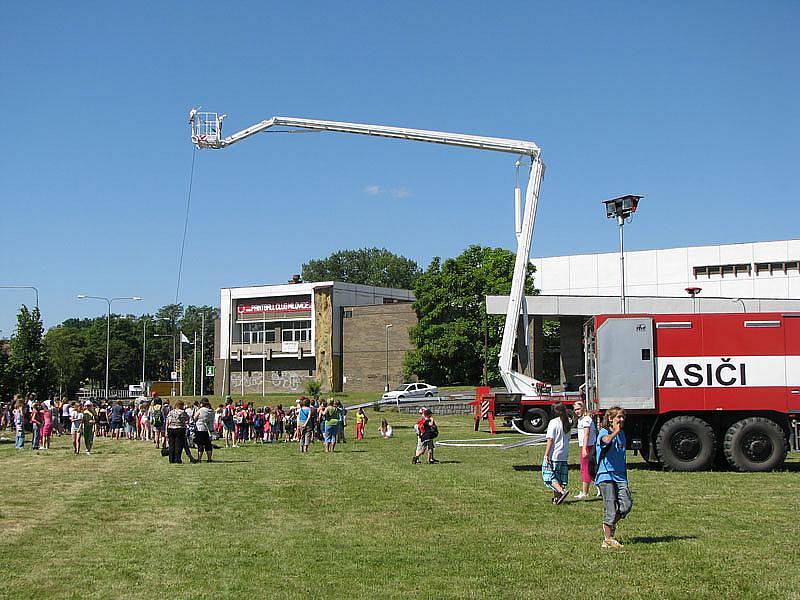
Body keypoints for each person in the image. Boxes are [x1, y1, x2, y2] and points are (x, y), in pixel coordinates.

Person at [596, 407, 632, 549]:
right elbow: (605, 441)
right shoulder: (604, 432)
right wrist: (615, 431)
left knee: (626, 505)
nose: (621, 420)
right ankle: (608, 538)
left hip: (620, 476)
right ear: (611, 419)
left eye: (623, 417)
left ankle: (610, 525)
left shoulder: (622, 434)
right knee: (610, 507)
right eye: (618, 417)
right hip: (606, 475)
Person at [542, 402, 571, 505]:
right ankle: (556, 498)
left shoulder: (553, 422)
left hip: (554, 453)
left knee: (549, 476)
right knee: (559, 476)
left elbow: (550, 439)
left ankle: (562, 491)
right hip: (564, 453)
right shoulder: (568, 422)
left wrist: (546, 454)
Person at [574, 400, 599, 500]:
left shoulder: (586, 419)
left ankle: (585, 492)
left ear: (583, 408)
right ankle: (600, 488)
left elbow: (586, 434)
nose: (577, 411)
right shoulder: (582, 419)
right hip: (585, 446)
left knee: (585, 469)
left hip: (588, 446)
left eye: (579, 409)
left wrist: (584, 449)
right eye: (575, 409)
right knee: (590, 469)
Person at [193, 398, 215, 463]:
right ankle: (209, 458)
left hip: (200, 428)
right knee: (208, 444)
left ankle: (199, 459)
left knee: (200, 444)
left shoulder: (201, 410)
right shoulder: (212, 411)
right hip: (209, 429)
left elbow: (194, 417)